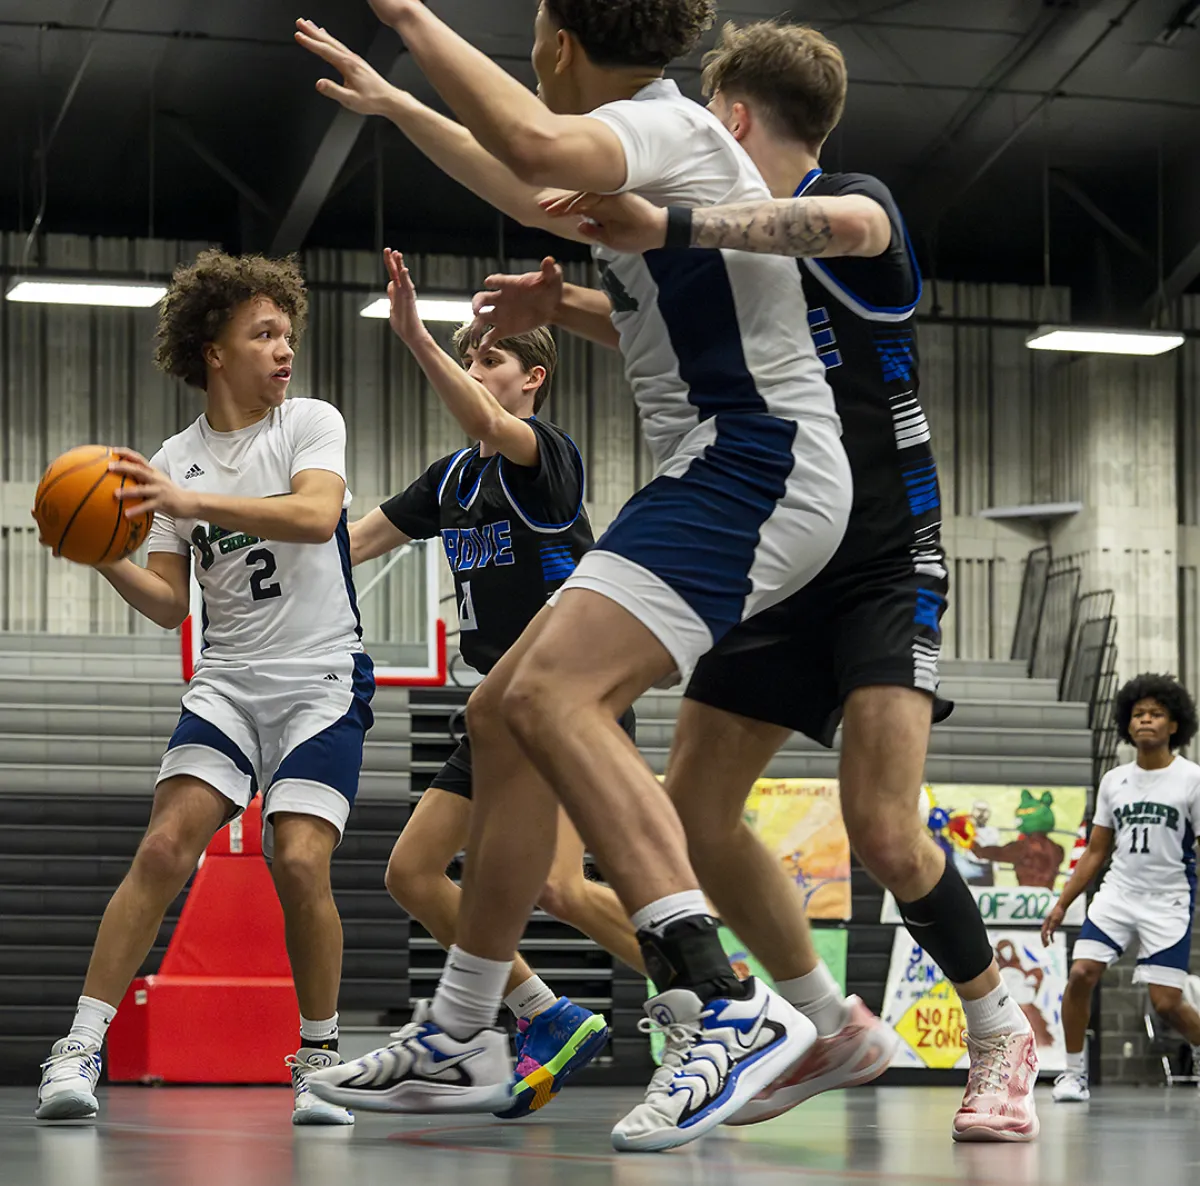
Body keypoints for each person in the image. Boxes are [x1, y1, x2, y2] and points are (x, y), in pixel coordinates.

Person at [466, 19, 1040, 1144]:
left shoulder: (847, 202)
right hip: (772, 545)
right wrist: (560, 309)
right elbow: (656, 314)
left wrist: (672, 215)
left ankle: (997, 1029)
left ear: (726, 117)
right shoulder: (717, 236)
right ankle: (821, 1021)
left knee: (881, 824)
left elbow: (846, 224)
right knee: (693, 812)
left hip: (880, 555)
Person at [297, 0, 852, 1152]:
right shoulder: (641, 142)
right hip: (726, 463)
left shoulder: (664, 129)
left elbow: (538, 150)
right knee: (505, 710)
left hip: (760, 462)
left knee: (549, 697)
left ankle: (725, 999)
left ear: (555, 42)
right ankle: (464, 1029)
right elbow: (522, 183)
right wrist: (399, 99)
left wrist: (408, 16)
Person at [34, 250, 373, 1126]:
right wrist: (100, 550)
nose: (283, 350)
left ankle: (320, 1059)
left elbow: (316, 516)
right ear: (213, 350)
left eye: (287, 334)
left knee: (297, 857)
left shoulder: (309, 424)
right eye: (263, 334)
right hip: (227, 683)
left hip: (319, 678)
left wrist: (190, 508)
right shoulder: (172, 460)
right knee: (159, 849)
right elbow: (168, 605)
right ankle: (79, 1047)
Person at [347, 249, 643, 1117]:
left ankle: (725, 994)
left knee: (563, 887)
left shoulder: (542, 456)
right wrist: (237, 526)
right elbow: (351, 541)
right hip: (496, 707)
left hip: (566, 697)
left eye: (490, 358)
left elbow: (482, 414)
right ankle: (543, 1013)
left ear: (532, 378)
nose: (477, 368)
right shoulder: (452, 480)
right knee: (412, 872)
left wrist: (418, 341)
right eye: (469, 354)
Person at [1043, 673, 1200, 1102]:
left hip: (1168, 899)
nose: (1146, 720)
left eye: (1157, 714)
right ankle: (1073, 1074)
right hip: (1118, 894)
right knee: (1080, 974)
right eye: (1138, 714)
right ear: (1127, 724)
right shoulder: (1115, 781)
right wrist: (1062, 904)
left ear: (1174, 725)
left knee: (1167, 1003)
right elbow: (1095, 852)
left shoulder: (1191, 779)